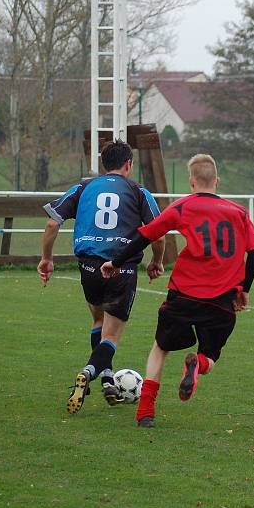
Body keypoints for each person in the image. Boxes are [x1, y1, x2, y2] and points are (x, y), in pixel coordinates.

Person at [100, 153, 254, 428]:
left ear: (191, 182)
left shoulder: (183, 207)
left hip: (184, 293)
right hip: (222, 299)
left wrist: (115, 262)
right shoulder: (238, 212)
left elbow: (146, 235)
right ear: (217, 181)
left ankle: (146, 412)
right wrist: (244, 289)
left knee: (161, 347)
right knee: (211, 354)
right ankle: (197, 365)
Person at [38, 139, 165, 413]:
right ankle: (90, 371)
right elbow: (157, 231)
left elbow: (51, 222)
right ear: (128, 165)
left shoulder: (83, 188)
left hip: (88, 267)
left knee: (98, 319)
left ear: (103, 165)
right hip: (122, 268)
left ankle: (108, 379)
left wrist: (47, 258)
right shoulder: (139, 191)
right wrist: (156, 260)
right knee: (113, 335)